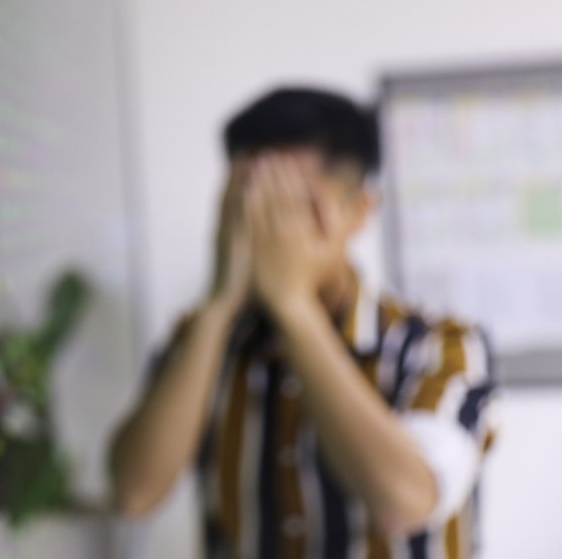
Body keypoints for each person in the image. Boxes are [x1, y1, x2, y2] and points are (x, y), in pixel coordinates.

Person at [109, 88, 497, 558]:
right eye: (250, 204)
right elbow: (134, 494)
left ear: (360, 210)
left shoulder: (439, 343)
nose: (267, 228)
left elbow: (404, 500)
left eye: (292, 206)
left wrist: (292, 305)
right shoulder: (200, 340)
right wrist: (218, 305)